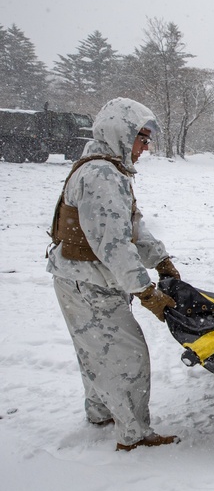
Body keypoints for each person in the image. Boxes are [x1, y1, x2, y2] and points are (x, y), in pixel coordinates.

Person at [46, 97, 181, 452]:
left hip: (77, 279)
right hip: (89, 283)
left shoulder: (105, 168)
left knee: (95, 351)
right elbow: (115, 246)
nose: (145, 147)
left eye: (148, 139)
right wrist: (146, 292)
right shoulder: (102, 175)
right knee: (128, 357)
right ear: (121, 132)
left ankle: (100, 411)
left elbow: (132, 226)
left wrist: (161, 258)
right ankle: (133, 436)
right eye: (142, 138)